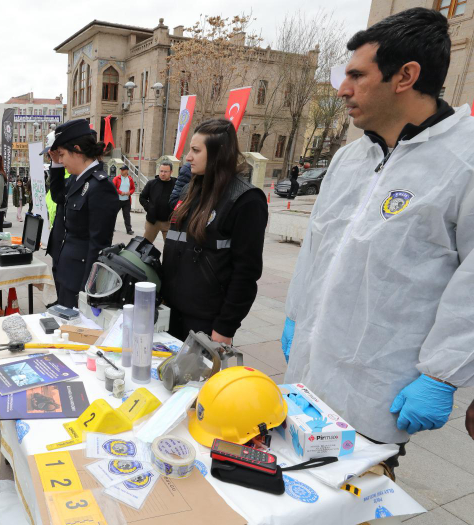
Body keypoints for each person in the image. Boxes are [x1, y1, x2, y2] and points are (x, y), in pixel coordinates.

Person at [280, 8, 474, 474]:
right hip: (306, 382)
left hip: (377, 393)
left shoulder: (462, 160)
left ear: (406, 75)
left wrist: (442, 374)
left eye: (356, 75)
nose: (342, 89)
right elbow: (317, 251)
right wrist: (293, 316)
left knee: (348, 507)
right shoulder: (350, 159)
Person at [162, 120, 267, 342]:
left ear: (218, 154)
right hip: (171, 314)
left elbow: (246, 273)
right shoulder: (190, 191)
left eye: (196, 151)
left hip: (205, 324)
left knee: (199, 378)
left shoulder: (245, 200)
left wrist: (225, 327)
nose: (188, 157)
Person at [47, 119, 120, 308]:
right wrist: (55, 165)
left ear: (77, 149)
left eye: (62, 155)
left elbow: (99, 244)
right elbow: (58, 197)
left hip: (80, 279)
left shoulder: (100, 186)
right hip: (66, 271)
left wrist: (87, 289)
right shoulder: (76, 179)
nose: (61, 160)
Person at [139, 161, 176, 242]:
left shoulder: (176, 184)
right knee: (145, 245)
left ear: (171, 172)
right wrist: (148, 208)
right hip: (152, 222)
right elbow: (142, 197)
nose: (163, 174)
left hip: (169, 222)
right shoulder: (151, 183)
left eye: (165, 171)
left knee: (170, 248)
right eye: (161, 171)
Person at [112, 165, 135, 234]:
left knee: (127, 215)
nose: (121, 171)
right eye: (121, 170)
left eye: (123, 170)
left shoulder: (130, 179)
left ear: (127, 171)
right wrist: (120, 192)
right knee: (113, 214)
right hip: (118, 200)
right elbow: (113, 187)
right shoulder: (116, 178)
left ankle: (129, 230)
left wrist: (130, 192)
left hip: (126, 200)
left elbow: (133, 188)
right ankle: (111, 227)